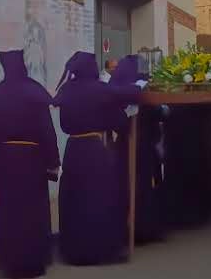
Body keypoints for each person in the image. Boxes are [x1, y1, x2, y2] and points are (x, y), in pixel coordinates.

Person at [53, 52, 146, 265]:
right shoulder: (99, 89)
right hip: (94, 150)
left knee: (75, 200)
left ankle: (74, 249)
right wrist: (140, 85)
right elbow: (125, 95)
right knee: (98, 199)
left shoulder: (67, 90)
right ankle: (99, 249)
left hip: (73, 149)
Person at [0, 50, 61, 278]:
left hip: (5, 162)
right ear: (23, 65)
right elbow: (47, 130)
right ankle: (34, 259)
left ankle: (8, 260)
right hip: (32, 160)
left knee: (9, 212)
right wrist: (53, 161)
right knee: (32, 212)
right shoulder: (35, 91)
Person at [109, 55, 166, 245]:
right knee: (143, 188)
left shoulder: (118, 90)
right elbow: (157, 114)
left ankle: (129, 227)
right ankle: (144, 228)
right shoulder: (140, 91)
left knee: (127, 186)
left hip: (126, 146)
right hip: (143, 147)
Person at [161, 100, 211, 229]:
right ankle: (201, 210)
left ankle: (182, 211)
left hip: (183, 136)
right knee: (198, 170)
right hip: (198, 136)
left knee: (183, 171)